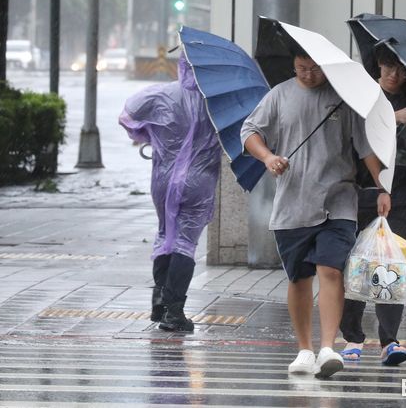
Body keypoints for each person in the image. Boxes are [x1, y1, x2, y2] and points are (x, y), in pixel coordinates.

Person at [241, 49, 387, 378]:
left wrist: (383, 187)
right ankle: (305, 349)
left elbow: (365, 148)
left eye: (315, 69)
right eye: (301, 68)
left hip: (338, 200)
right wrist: (267, 157)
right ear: (293, 66)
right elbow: (249, 132)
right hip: (292, 203)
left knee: (331, 270)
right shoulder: (279, 95)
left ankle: (327, 348)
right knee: (298, 278)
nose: (308, 75)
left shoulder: (342, 99)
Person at [339, 46, 406, 365]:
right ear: (377, 66)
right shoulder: (362, 96)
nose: (395, 74)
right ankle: (352, 337)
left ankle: (390, 341)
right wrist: (393, 118)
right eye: (388, 66)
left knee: (391, 266)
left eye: (401, 68)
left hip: (403, 192)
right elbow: (354, 138)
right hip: (363, 190)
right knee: (358, 265)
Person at [118, 56, 222, 333]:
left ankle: (160, 303)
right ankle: (174, 312)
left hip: (163, 179)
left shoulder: (160, 94)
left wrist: (152, 135)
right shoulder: (216, 102)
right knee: (185, 243)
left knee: (166, 235)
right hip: (198, 181)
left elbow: (127, 118)